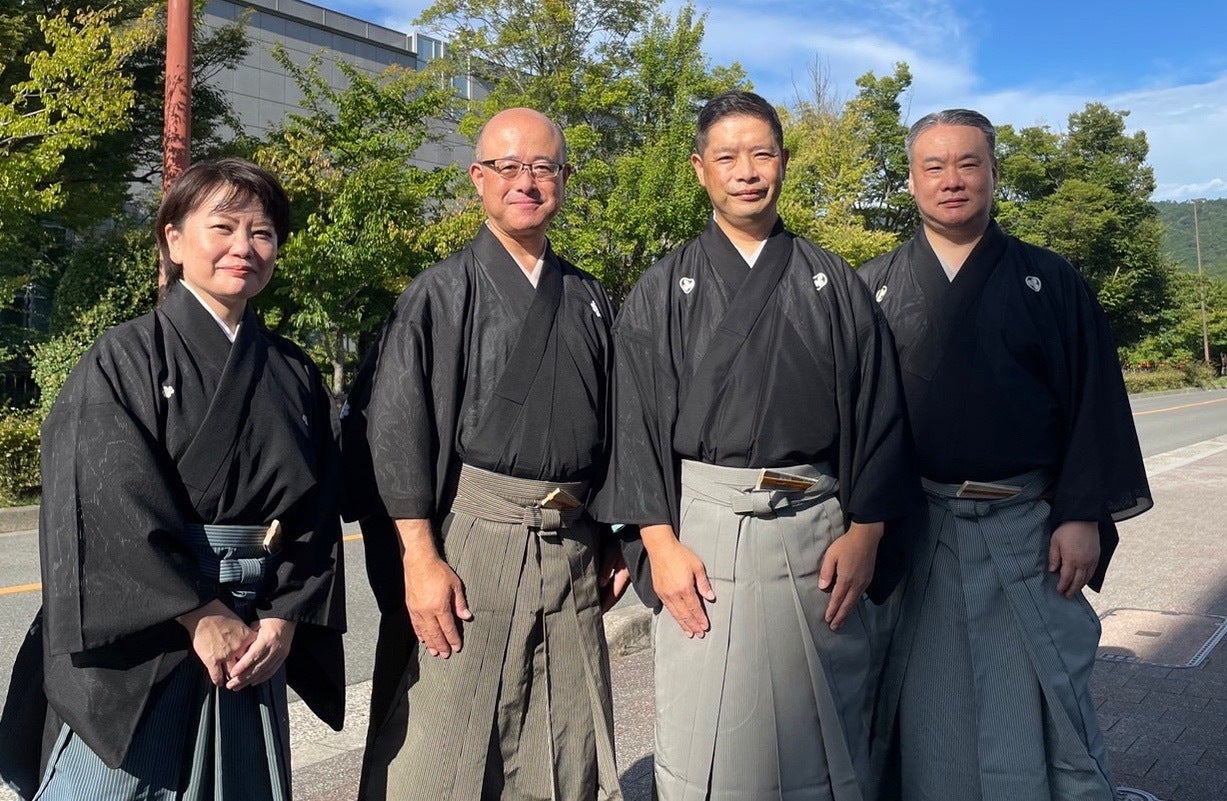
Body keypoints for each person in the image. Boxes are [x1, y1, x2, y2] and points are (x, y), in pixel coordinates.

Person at [591, 90, 919, 801]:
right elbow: (633, 423)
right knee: (707, 729)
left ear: (784, 162)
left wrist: (867, 531)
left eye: (761, 154)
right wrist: (659, 544)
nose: (746, 171)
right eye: (727, 157)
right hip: (703, 535)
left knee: (828, 725)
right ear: (698, 168)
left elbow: (879, 413)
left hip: (819, 531)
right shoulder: (662, 287)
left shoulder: (833, 281)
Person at [0, 158, 346, 800]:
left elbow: (317, 514)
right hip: (144, 639)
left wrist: (285, 617)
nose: (244, 247)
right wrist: (198, 612)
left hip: (253, 635)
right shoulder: (123, 358)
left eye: (262, 232)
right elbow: (104, 499)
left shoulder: (294, 373)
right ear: (175, 240)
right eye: (223, 227)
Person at [859, 108, 1153, 801]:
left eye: (968, 163)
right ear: (910, 181)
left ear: (993, 173)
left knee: (1046, 683)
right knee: (920, 691)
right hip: (915, 525)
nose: (952, 180)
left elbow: (1094, 402)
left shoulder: (1049, 280)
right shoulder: (872, 286)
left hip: (1029, 521)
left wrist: (1080, 513)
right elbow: (854, 420)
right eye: (934, 166)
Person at [352, 107, 626, 801]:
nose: (525, 182)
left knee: (563, 739)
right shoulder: (440, 293)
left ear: (564, 178)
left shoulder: (590, 297)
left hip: (573, 540)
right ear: (479, 178)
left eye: (542, 167)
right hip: (471, 542)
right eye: (508, 167)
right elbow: (397, 430)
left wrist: (614, 534)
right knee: (445, 744)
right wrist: (419, 557)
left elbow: (620, 425)